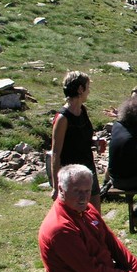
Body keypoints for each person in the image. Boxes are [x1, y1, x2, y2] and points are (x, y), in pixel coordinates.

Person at [50, 71, 103, 212]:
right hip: (71, 174)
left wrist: (95, 142)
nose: (89, 91)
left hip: (88, 168)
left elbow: (82, 138)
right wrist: (56, 186)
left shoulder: (82, 110)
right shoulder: (63, 118)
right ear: (80, 89)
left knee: (95, 213)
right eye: (88, 87)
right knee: (75, 214)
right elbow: (55, 153)